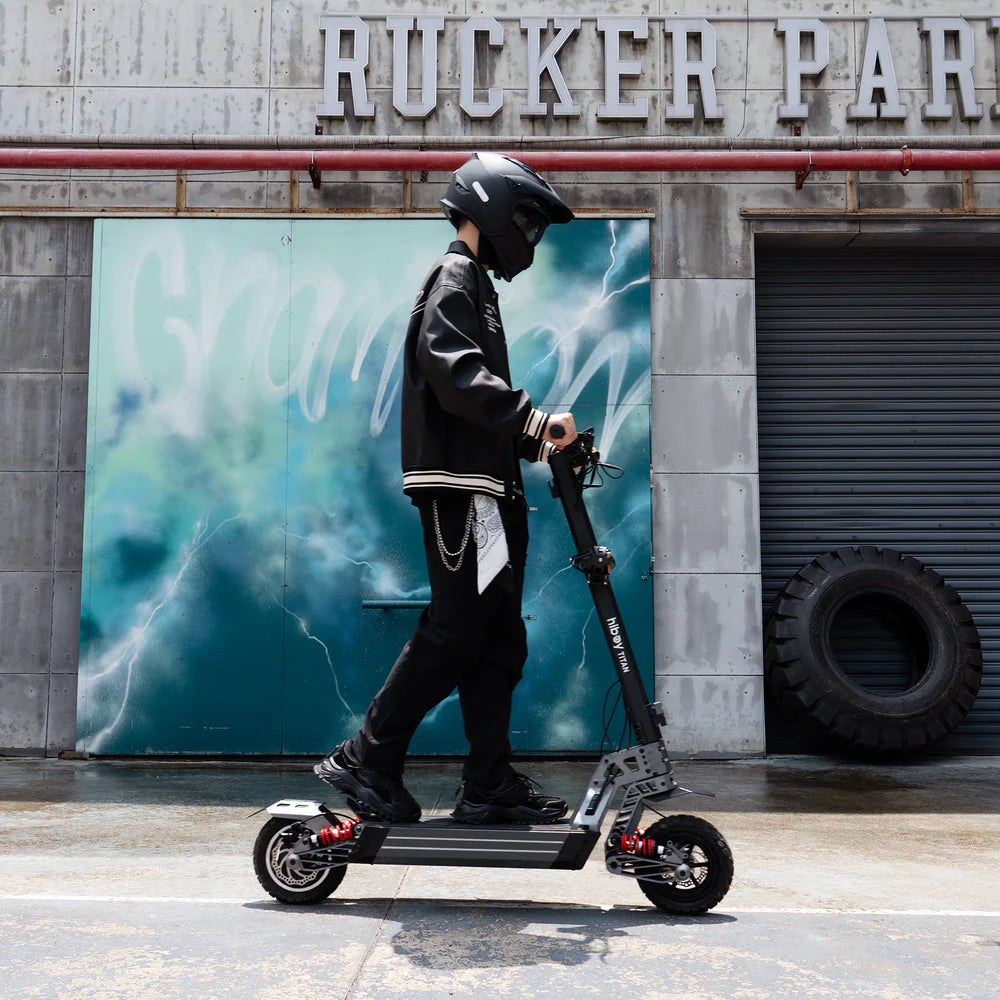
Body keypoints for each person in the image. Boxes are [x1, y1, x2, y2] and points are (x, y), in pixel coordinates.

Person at [315, 153, 577, 825]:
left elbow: (479, 406)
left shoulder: (477, 287)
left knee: (496, 639)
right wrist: (533, 418)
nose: (531, 236)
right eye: (525, 220)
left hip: (486, 487)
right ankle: (367, 758)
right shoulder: (453, 277)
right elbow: (454, 373)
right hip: (462, 494)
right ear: (488, 207)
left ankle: (488, 781)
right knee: (455, 630)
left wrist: (538, 438)